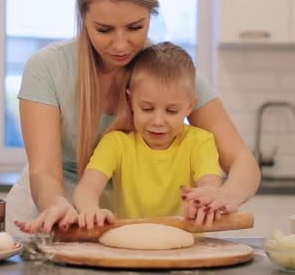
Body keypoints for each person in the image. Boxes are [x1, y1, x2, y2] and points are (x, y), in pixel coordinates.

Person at [6, 0, 261, 236]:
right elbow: (44, 171)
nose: (120, 44)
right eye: (104, 30)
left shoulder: (168, 74)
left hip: (121, 219)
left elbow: (242, 159)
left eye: (135, 27)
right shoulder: (47, 68)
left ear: (151, 16)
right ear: (83, 18)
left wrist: (228, 195)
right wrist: (55, 203)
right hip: (51, 212)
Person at [73, 42, 224, 228]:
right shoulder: (116, 143)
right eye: (147, 108)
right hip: (131, 247)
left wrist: (206, 198)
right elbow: (87, 188)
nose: (158, 121)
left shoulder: (200, 142)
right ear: (130, 100)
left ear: (190, 106)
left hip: (188, 248)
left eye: (171, 111)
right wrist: (89, 209)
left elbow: (210, 184)